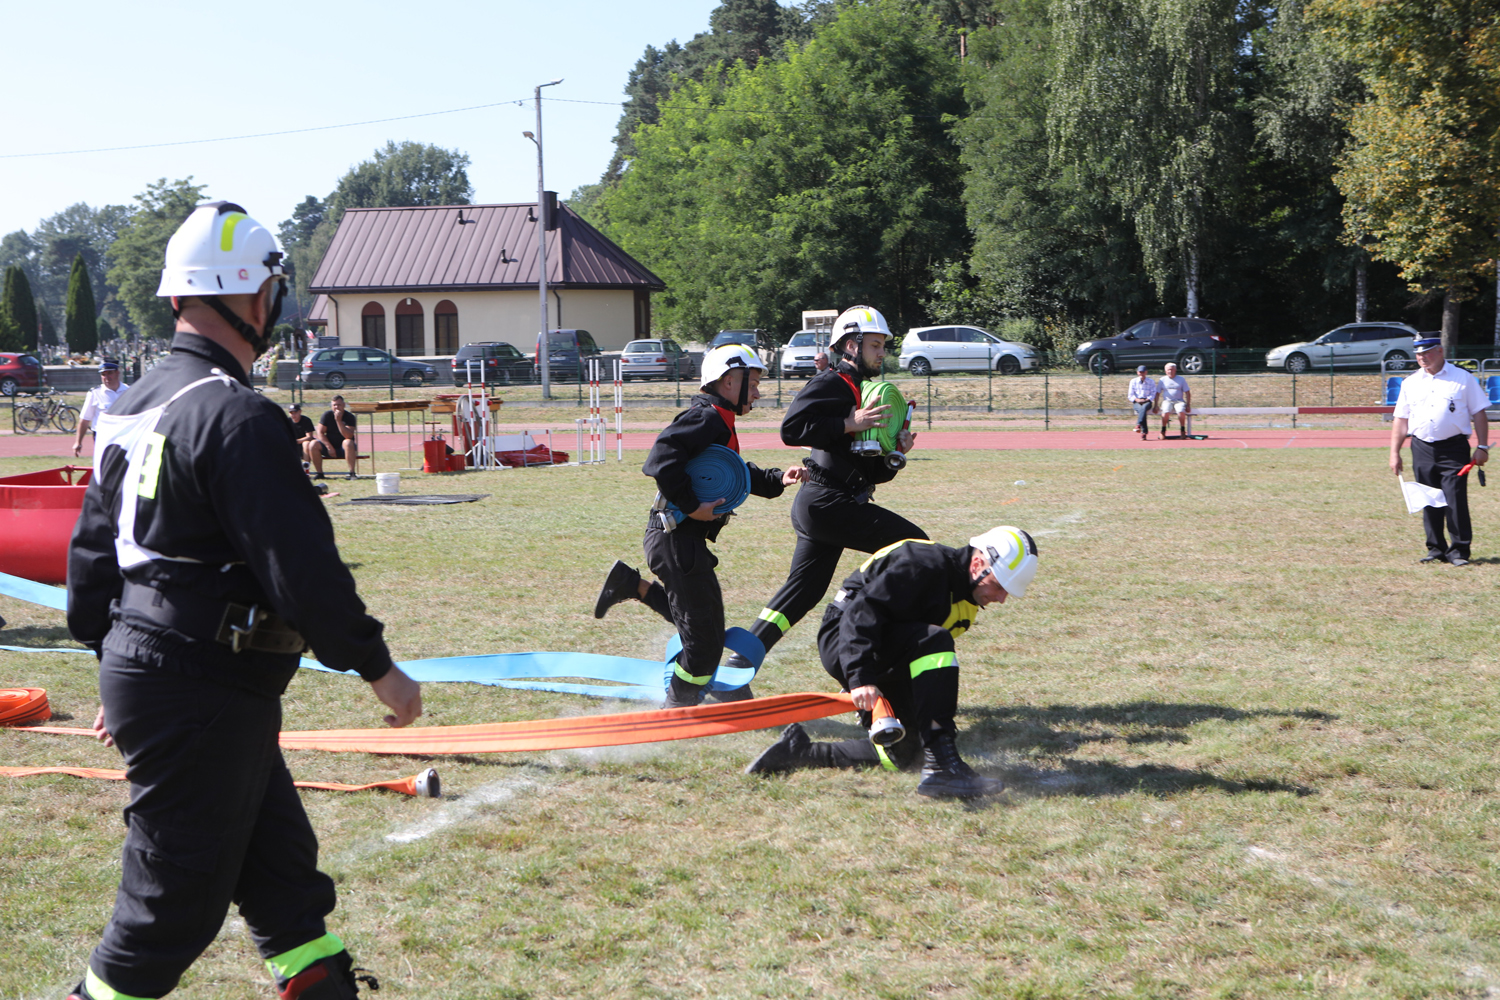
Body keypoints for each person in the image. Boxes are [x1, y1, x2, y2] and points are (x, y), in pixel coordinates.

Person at [65, 202, 421, 1000]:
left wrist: (110, 665)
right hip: (201, 684)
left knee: (284, 882)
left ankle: (319, 985)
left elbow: (90, 558)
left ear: (177, 296)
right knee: (167, 913)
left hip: (186, 681)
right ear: (256, 298)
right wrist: (378, 667)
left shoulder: (132, 405)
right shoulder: (237, 414)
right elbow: (301, 567)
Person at [746, 526, 1038, 799]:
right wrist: (861, 677)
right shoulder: (923, 565)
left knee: (905, 754)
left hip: (878, 645)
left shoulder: (963, 598)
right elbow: (860, 613)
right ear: (977, 564)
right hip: (846, 638)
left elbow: (916, 654)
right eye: (999, 586)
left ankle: (799, 752)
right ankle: (943, 765)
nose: (1001, 598)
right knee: (935, 641)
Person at [720, 305, 923, 693]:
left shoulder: (862, 391)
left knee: (802, 593)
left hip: (828, 505)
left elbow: (870, 473)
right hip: (827, 503)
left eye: (883, 345)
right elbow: (791, 429)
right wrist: (849, 423)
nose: (882, 352)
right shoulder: (832, 382)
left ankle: (734, 670)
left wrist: (895, 453)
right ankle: (872, 651)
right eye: (875, 345)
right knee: (916, 549)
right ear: (851, 345)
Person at [593, 344, 805, 707]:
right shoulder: (706, 418)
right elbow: (661, 459)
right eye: (753, 384)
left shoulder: (719, 419)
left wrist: (775, 479)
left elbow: (727, 473)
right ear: (728, 382)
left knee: (703, 628)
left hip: (680, 541)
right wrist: (691, 507)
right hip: (676, 540)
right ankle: (678, 707)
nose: (757, 393)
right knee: (704, 645)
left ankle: (632, 585)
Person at [1389, 336, 1489, 566]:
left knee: (1454, 499)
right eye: (1418, 354)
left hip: (1454, 448)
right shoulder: (1411, 382)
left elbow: (1479, 413)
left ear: (1440, 351)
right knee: (1428, 498)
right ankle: (1435, 549)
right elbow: (1401, 419)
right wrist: (1395, 452)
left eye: (1427, 352)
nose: (1422, 357)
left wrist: (1482, 446)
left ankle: (1459, 551)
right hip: (1421, 447)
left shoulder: (1463, 378)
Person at [72, 360, 131, 457]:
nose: (106, 377)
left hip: (124, 435)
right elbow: (85, 420)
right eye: (103, 374)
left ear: (117, 373)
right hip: (103, 437)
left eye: (110, 373)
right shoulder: (95, 393)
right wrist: (78, 442)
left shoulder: (129, 391)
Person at [308, 395, 359, 480]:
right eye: (334, 405)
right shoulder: (327, 415)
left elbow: (348, 435)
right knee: (313, 444)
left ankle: (352, 473)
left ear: (344, 405)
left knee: (348, 442)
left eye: (339, 405)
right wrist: (329, 447)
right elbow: (320, 432)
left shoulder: (349, 417)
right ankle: (319, 473)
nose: (336, 407)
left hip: (344, 448)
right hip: (329, 447)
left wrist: (338, 421)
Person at [1157, 362, 1191, 438]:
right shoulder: (1162, 380)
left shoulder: (1181, 379)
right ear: (1165, 371)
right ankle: (1163, 431)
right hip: (1167, 401)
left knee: (1181, 411)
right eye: (1168, 370)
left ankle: (1182, 430)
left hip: (1179, 401)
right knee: (1165, 412)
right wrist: (1155, 405)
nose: (1170, 371)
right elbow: (1157, 393)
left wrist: (1188, 405)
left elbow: (1187, 393)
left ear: (1175, 370)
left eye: (1172, 369)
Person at [1127, 365, 1159, 440]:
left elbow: (1153, 393)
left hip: (1147, 401)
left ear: (1146, 372)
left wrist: (1147, 399)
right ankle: (1144, 433)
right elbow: (1130, 395)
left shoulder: (1151, 381)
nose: (1141, 374)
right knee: (1142, 410)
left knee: (1144, 408)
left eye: (1143, 372)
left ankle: (1138, 425)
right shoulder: (1133, 381)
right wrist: (1137, 400)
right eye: (1140, 372)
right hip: (1137, 401)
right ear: (1137, 372)